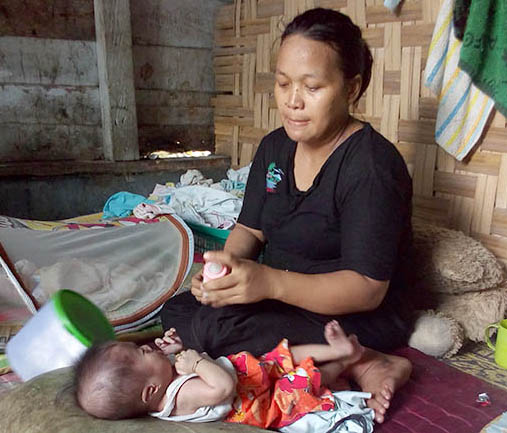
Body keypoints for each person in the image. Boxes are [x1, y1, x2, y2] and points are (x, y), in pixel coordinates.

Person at [160, 7, 413, 424]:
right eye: (282, 83)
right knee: (182, 311)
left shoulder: (371, 166)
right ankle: (336, 362)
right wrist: (220, 271)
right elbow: (249, 228)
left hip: (353, 314)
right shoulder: (275, 148)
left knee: (215, 333)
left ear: (352, 88)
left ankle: (369, 360)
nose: (292, 101)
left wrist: (269, 282)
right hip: (283, 301)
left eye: (312, 87)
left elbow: (368, 289)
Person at [75, 323, 370, 429]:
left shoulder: (163, 383)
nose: (148, 347)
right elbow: (223, 388)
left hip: (251, 374)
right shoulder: (180, 398)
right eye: (142, 354)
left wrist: (180, 350)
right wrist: (195, 365)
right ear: (150, 392)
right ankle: (344, 363)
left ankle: (337, 349)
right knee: (303, 380)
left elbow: (191, 367)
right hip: (260, 401)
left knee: (284, 354)